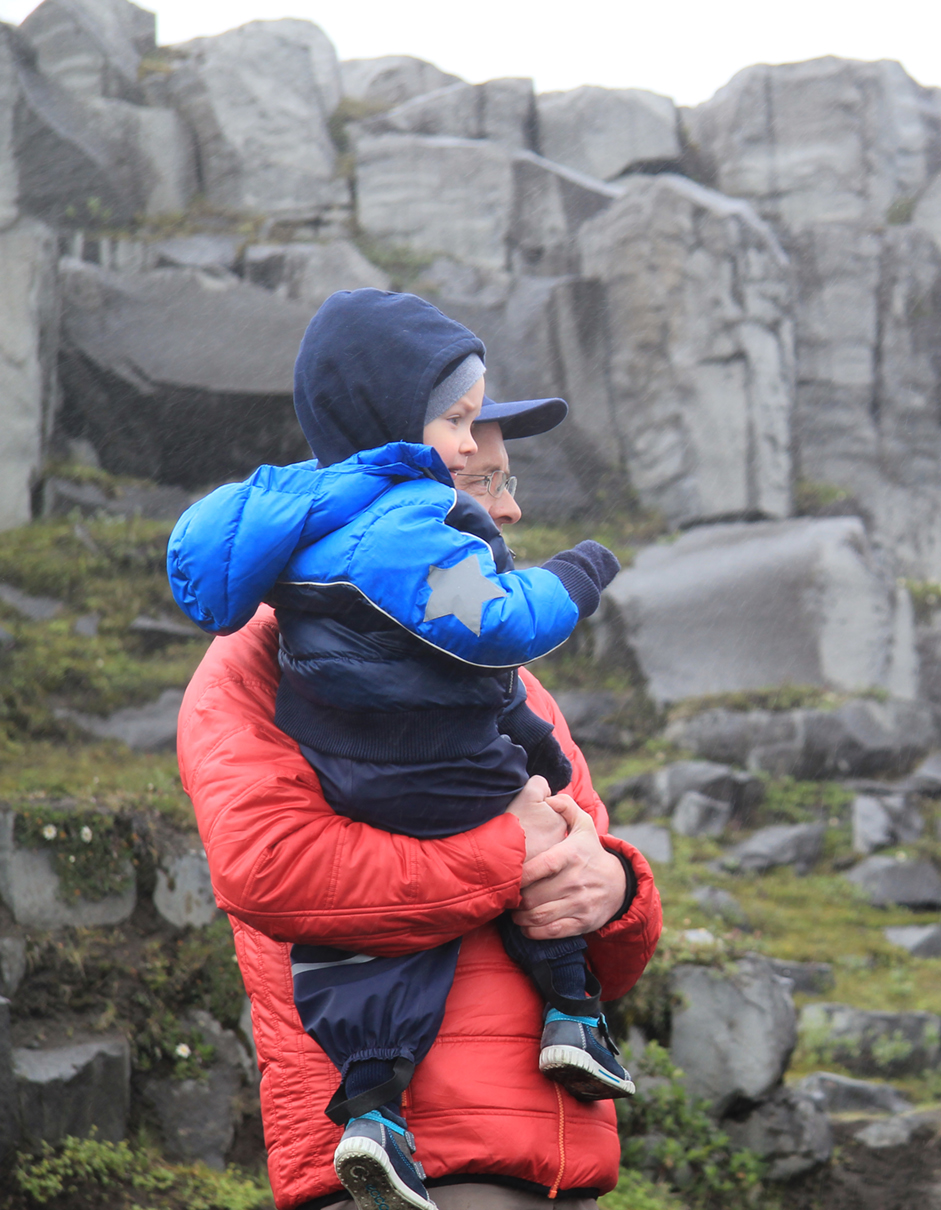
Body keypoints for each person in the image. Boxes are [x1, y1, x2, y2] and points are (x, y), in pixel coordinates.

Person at [178, 314, 662, 1210]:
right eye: (481, 482)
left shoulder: (500, 677)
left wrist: (619, 893)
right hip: (406, 1169)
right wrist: (507, 856)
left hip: (561, 1164)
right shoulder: (260, 659)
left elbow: (597, 912)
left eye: (508, 481)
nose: (510, 509)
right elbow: (273, 874)